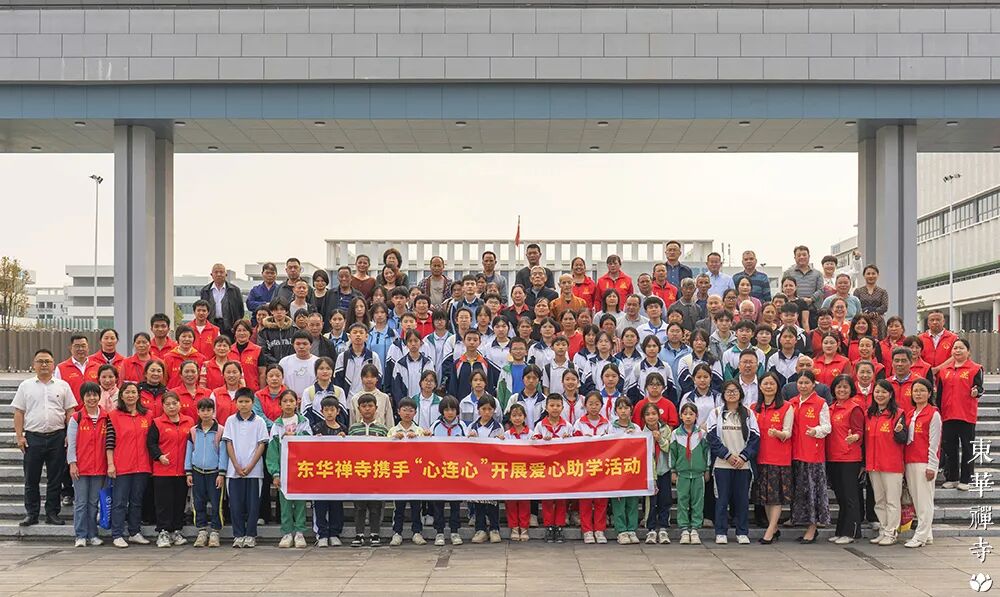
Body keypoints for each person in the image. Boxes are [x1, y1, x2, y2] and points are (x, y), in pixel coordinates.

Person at [13, 349, 76, 527]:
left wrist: (69, 435)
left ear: (53, 364)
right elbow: (19, 412)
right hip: (33, 438)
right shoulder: (26, 386)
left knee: (55, 479)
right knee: (31, 479)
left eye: (47, 361)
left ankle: (52, 513)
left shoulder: (62, 385)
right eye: (40, 361)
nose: (44, 365)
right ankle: (31, 514)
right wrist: (19, 436)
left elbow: (70, 411)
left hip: (57, 437)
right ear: (34, 365)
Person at [706, 381, 760, 545]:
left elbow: (755, 438)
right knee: (722, 499)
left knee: (742, 500)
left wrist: (743, 456)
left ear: (740, 393)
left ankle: (742, 531)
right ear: (723, 394)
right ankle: (721, 531)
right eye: (728, 391)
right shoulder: (715, 413)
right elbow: (712, 438)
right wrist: (727, 455)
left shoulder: (749, 414)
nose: (731, 394)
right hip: (722, 464)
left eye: (735, 391)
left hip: (743, 465)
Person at [105, 382, 152, 547]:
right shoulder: (113, 416)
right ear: (121, 395)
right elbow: (109, 442)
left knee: (137, 501)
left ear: (138, 395)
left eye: (133, 392)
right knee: (119, 501)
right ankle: (117, 534)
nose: (130, 395)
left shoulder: (148, 415)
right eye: (127, 392)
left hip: (142, 465)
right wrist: (111, 464)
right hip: (122, 465)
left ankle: (134, 532)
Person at [146, 391, 194, 548]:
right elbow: (151, 443)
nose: (172, 407)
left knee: (179, 502)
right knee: (163, 503)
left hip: (183, 471)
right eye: (168, 404)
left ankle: (177, 531)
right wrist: (159, 456)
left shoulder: (189, 421)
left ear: (180, 404)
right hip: (163, 471)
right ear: (163, 406)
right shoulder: (157, 422)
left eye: (174, 403)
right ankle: (163, 531)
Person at [266, 389, 312, 549]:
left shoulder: (303, 422)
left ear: (297, 403)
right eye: (285, 401)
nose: (288, 404)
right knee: (284, 503)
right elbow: (272, 452)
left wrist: (295, 437)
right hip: (284, 471)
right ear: (280, 404)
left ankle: (299, 532)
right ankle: (287, 532)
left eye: (291, 401)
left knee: (300, 502)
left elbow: (309, 443)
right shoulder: (277, 425)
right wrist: (275, 473)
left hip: (300, 469)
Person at [223, 387, 269, 548]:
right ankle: (238, 535)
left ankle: (250, 534)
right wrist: (236, 465)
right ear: (235, 403)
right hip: (233, 471)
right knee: (235, 505)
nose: (243, 404)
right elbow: (229, 443)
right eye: (240, 401)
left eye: (247, 401)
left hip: (254, 471)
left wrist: (250, 466)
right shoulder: (230, 421)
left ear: (253, 402)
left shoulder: (259, 421)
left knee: (253, 505)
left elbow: (261, 444)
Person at [788, 371, 831, 543]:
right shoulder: (792, 403)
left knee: (813, 492)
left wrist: (816, 431)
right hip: (795, 453)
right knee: (799, 491)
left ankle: (813, 527)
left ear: (814, 384)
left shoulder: (820, 403)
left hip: (813, 454)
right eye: (800, 383)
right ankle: (799, 520)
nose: (803, 386)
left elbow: (827, 427)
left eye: (807, 383)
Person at [751, 372, 793, 544]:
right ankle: (773, 528)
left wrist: (778, 433)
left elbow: (788, 432)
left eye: (772, 383)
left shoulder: (786, 407)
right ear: (760, 387)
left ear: (777, 386)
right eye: (765, 383)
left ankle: (770, 530)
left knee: (775, 497)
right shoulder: (754, 408)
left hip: (778, 458)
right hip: (759, 457)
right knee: (765, 497)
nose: (768, 386)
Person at [865, 380, 908, 546]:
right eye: (877, 392)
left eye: (884, 392)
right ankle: (883, 530)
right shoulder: (869, 414)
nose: (880, 395)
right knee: (879, 500)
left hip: (891, 465)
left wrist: (899, 432)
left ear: (890, 395)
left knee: (892, 501)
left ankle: (891, 532)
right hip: (873, 464)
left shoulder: (898, 414)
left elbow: (903, 439)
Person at [937, 338, 983, 491]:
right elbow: (940, 394)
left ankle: (966, 479)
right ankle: (952, 478)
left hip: (966, 414)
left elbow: (979, 388)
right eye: (955, 348)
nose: (957, 350)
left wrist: (976, 392)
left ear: (968, 351)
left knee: (967, 448)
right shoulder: (944, 371)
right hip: (947, 415)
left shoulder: (975, 369)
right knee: (950, 448)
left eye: (961, 348)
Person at [66, 381, 107, 547]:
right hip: (81, 468)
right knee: (81, 502)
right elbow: (71, 444)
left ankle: (93, 534)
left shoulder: (106, 417)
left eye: (95, 395)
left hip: (100, 468)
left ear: (99, 396)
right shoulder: (76, 418)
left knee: (93, 503)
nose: (92, 398)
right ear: (82, 398)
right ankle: (80, 535)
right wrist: (72, 463)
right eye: (88, 395)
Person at [825, 375, 865, 545]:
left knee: (850, 497)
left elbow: (860, 431)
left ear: (851, 390)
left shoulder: (854, 408)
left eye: (845, 387)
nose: (841, 390)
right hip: (833, 457)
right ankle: (840, 530)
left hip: (849, 458)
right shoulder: (830, 408)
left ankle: (852, 532)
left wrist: (855, 437)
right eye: (838, 387)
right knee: (840, 497)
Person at [184, 398, 226, 548]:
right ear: (198, 412)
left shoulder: (220, 430)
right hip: (197, 472)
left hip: (214, 473)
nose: (206, 413)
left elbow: (223, 453)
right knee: (198, 502)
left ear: (213, 411)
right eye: (202, 410)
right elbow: (189, 451)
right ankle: (201, 531)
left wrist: (221, 473)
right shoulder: (193, 431)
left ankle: (215, 531)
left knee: (216, 503)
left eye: (209, 410)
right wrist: (188, 471)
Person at [904, 378, 941, 548]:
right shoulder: (910, 413)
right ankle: (927, 534)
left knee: (925, 500)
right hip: (910, 460)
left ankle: (920, 536)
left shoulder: (933, 414)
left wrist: (932, 466)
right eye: (915, 391)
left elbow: (935, 443)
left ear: (929, 393)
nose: (918, 394)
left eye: (922, 390)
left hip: (924, 462)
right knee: (917, 500)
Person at [387, 397, 429, 546]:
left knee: (416, 506)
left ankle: (417, 532)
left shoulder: (419, 431)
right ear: (398, 412)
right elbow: (385, 451)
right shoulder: (392, 431)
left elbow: (427, 451)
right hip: (399, 474)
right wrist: (393, 439)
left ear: (415, 413)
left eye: (410, 410)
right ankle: (397, 532)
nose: (407, 413)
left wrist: (420, 438)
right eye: (404, 410)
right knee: (399, 506)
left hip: (415, 475)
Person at [532, 394, 572, 543]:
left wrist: (569, 440)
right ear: (546, 407)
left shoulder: (568, 426)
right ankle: (549, 526)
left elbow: (576, 446)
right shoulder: (540, 426)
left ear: (562, 407)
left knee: (561, 498)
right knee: (547, 498)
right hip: (545, 468)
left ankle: (559, 526)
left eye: (558, 405)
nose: (555, 408)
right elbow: (533, 444)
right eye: (552, 405)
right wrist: (542, 441)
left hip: (562, 468)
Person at [428, 395, 466, 545]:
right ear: (442, 411)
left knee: (455, 504)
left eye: (453, 409)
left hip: (456, 471)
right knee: (438, 504)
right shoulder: (435, 426)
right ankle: (439, 532)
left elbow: (469, 447)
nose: (450, 412)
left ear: (457, 411)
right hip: (439, 472)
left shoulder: (462, 426)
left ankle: (455, 531)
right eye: (447, 409)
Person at [573, 391, 610, 544]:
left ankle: (600, 529)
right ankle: (587, 530)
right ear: (585, 405)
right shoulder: (579, 423)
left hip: (602, 467)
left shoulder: (607, 424)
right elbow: (573, 445)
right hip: (585, 467)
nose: (593, 407)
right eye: (590, 404)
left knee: (601, 500)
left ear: (601, 405)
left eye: (597, 404)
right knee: (585, 500)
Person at [467, 395, 504, 544]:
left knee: (493, 502)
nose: (487, 412)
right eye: (484, 409)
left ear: (494, 410)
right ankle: (480, 529)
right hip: (477, 469)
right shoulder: (472, 427)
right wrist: (469, 438)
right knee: (479, 502)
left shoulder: (498, 427)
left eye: (490, 409)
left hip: (492, 468)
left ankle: (494, 529)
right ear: (478, 410)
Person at [670, 402, 709, 545]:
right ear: (680, 416)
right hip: (682, 473)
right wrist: (673, 471)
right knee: (682, 500)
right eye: (685, 414)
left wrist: (707, 469)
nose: (688, 417)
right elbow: (672, 454)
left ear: (696, 416)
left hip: (698, 473)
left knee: (698, 501)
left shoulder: (701, 434)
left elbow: (707, 453)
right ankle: (684, 529)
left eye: (691, 414)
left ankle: (695, 528)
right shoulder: (675, 434)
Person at [310, 395, 346, 546]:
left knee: (336, 504)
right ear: (321, 411)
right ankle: (322, 533)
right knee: (320, 504)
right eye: (326, 410)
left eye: (332, 410)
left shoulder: (343, 429)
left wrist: (344, 439)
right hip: (321, 472)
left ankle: (334, 533)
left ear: (338, 411)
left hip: (337, 472)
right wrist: (316, 440)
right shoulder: (317, 428)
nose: (329, 413)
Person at [640, 401, 674, 545]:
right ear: (643, 417)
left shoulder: (666, 430)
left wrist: (660, 439)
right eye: (647, 414)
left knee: (665, 499)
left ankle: (664, 527)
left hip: (664, 469)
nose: (651, 417)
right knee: (650, 501)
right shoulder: (640, 433)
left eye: (654, 413)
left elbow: (670, 449)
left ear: (659, 415)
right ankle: (651, 528)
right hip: (649, 473)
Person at [608, 397, 640, 544]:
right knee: (619, 501)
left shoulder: (637, 428)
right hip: (617, 469)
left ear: (631, 409)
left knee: (632, 500)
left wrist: (633, 436)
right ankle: (621, 530)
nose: (623, 411)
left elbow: (641, 447)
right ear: (615, 411)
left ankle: (632, 529)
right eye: (620, 408)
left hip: (632, 469)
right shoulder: (611, 428)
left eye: (626, 408)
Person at [503, 402, 532, 541]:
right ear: (510, 418)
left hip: (526, 473)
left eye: (520, 415)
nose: (517, 418)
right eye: (514, 415)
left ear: (524, 417)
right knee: (511, 501)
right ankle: (514, 526)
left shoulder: (531, 434)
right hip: (511, 473)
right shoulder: (506, 435)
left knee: (525, 501)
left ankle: (524, 527)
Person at [200, 263, 244, 340]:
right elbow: (202, 309)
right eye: (216, 272)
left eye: (221, 272)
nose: (219, 274)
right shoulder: (205, 290)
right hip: (211, 326)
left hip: (230, 328)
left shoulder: (234, 290)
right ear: (211, 275)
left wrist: (236, 326)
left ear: (226, 274)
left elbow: (240, 310)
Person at [783, 245, 824, 323]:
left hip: (813, 310)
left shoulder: (817, 273)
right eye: (799, 255)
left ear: (809, 256)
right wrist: (800, 300)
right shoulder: (788, 273)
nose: (802, 257)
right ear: (795, 257)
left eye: (804, 255)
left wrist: (811, 299)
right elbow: (784, 290)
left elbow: (821, 290)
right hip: (793, 310)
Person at [56, 335, 90, 408]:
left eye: (83, 346)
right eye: (77, 346)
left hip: (94, 412)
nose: (81, 349)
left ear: (88, 347)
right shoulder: (61, 368)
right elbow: (57, 393)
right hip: (72, 412)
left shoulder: (97, 367)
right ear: (70, 348)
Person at [854, 264, 888, 337]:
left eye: (873, 273)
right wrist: (865, 313)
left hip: (879, 322)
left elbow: (884, 307)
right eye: (868, 274)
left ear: (878, 275)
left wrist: (873, 311)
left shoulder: (882, 291)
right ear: (864, 275)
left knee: (880, 341)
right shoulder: (858, 291)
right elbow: (856, 307)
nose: (871, 276)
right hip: (862, 322)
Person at [246, 262, 278, 327]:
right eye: (267, 273)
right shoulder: (255, 290)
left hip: (275, 323)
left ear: (276, 274)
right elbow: (249, 304)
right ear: (262, 274)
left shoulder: (280, 289)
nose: (270, 275)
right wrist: (265, 304)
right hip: (257, 323)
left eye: (272, 273)